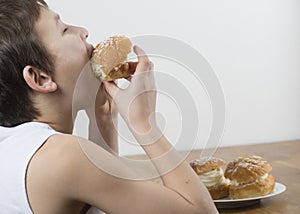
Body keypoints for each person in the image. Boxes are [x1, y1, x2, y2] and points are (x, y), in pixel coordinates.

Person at [0, 0, 218, 213]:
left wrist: (103, 120)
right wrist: (144, 123)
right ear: (40, 78)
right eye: (64, 30)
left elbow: (105, 197)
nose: (83, 31)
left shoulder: (17, 148)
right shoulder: (63, 156)